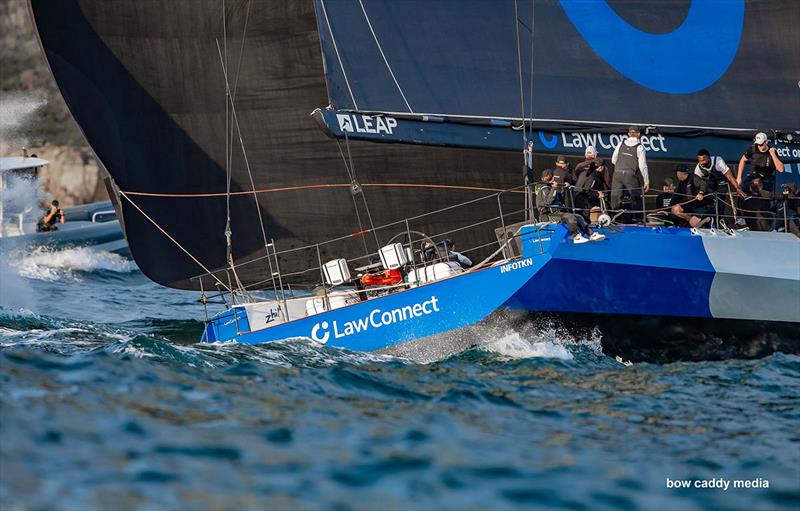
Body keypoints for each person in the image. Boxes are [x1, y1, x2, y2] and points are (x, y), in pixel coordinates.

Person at [536, 169, 605, 243]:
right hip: (548, 215)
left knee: (579, 217)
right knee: (569, 217)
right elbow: (548, 202)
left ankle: (591, 234)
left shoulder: (551, 187)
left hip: (557, 212)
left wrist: (564, 188)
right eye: (548, 179)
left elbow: (559, 199)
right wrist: (554, 188)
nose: (550, 181)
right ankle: (576, 236)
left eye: (550, 178)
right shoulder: (544, 189)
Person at [610, 126, 650, 211]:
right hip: (630, 174)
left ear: (628, 134)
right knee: (635, 196)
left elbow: (613, 160)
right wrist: (646, 181)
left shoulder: (621, 143)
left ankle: (615, 217)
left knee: (615, 196)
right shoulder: (639, 147)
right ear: (638, 134)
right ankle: (638, 217)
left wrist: (620, 167)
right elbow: (642, 165)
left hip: (617, 173)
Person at [573, 158, 610, 222]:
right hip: (583, 200)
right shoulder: (593, 176)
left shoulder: (584, 172)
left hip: (576, 197)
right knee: (584, 220)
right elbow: (587, 190)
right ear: (601, 167)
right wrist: (598, 194)